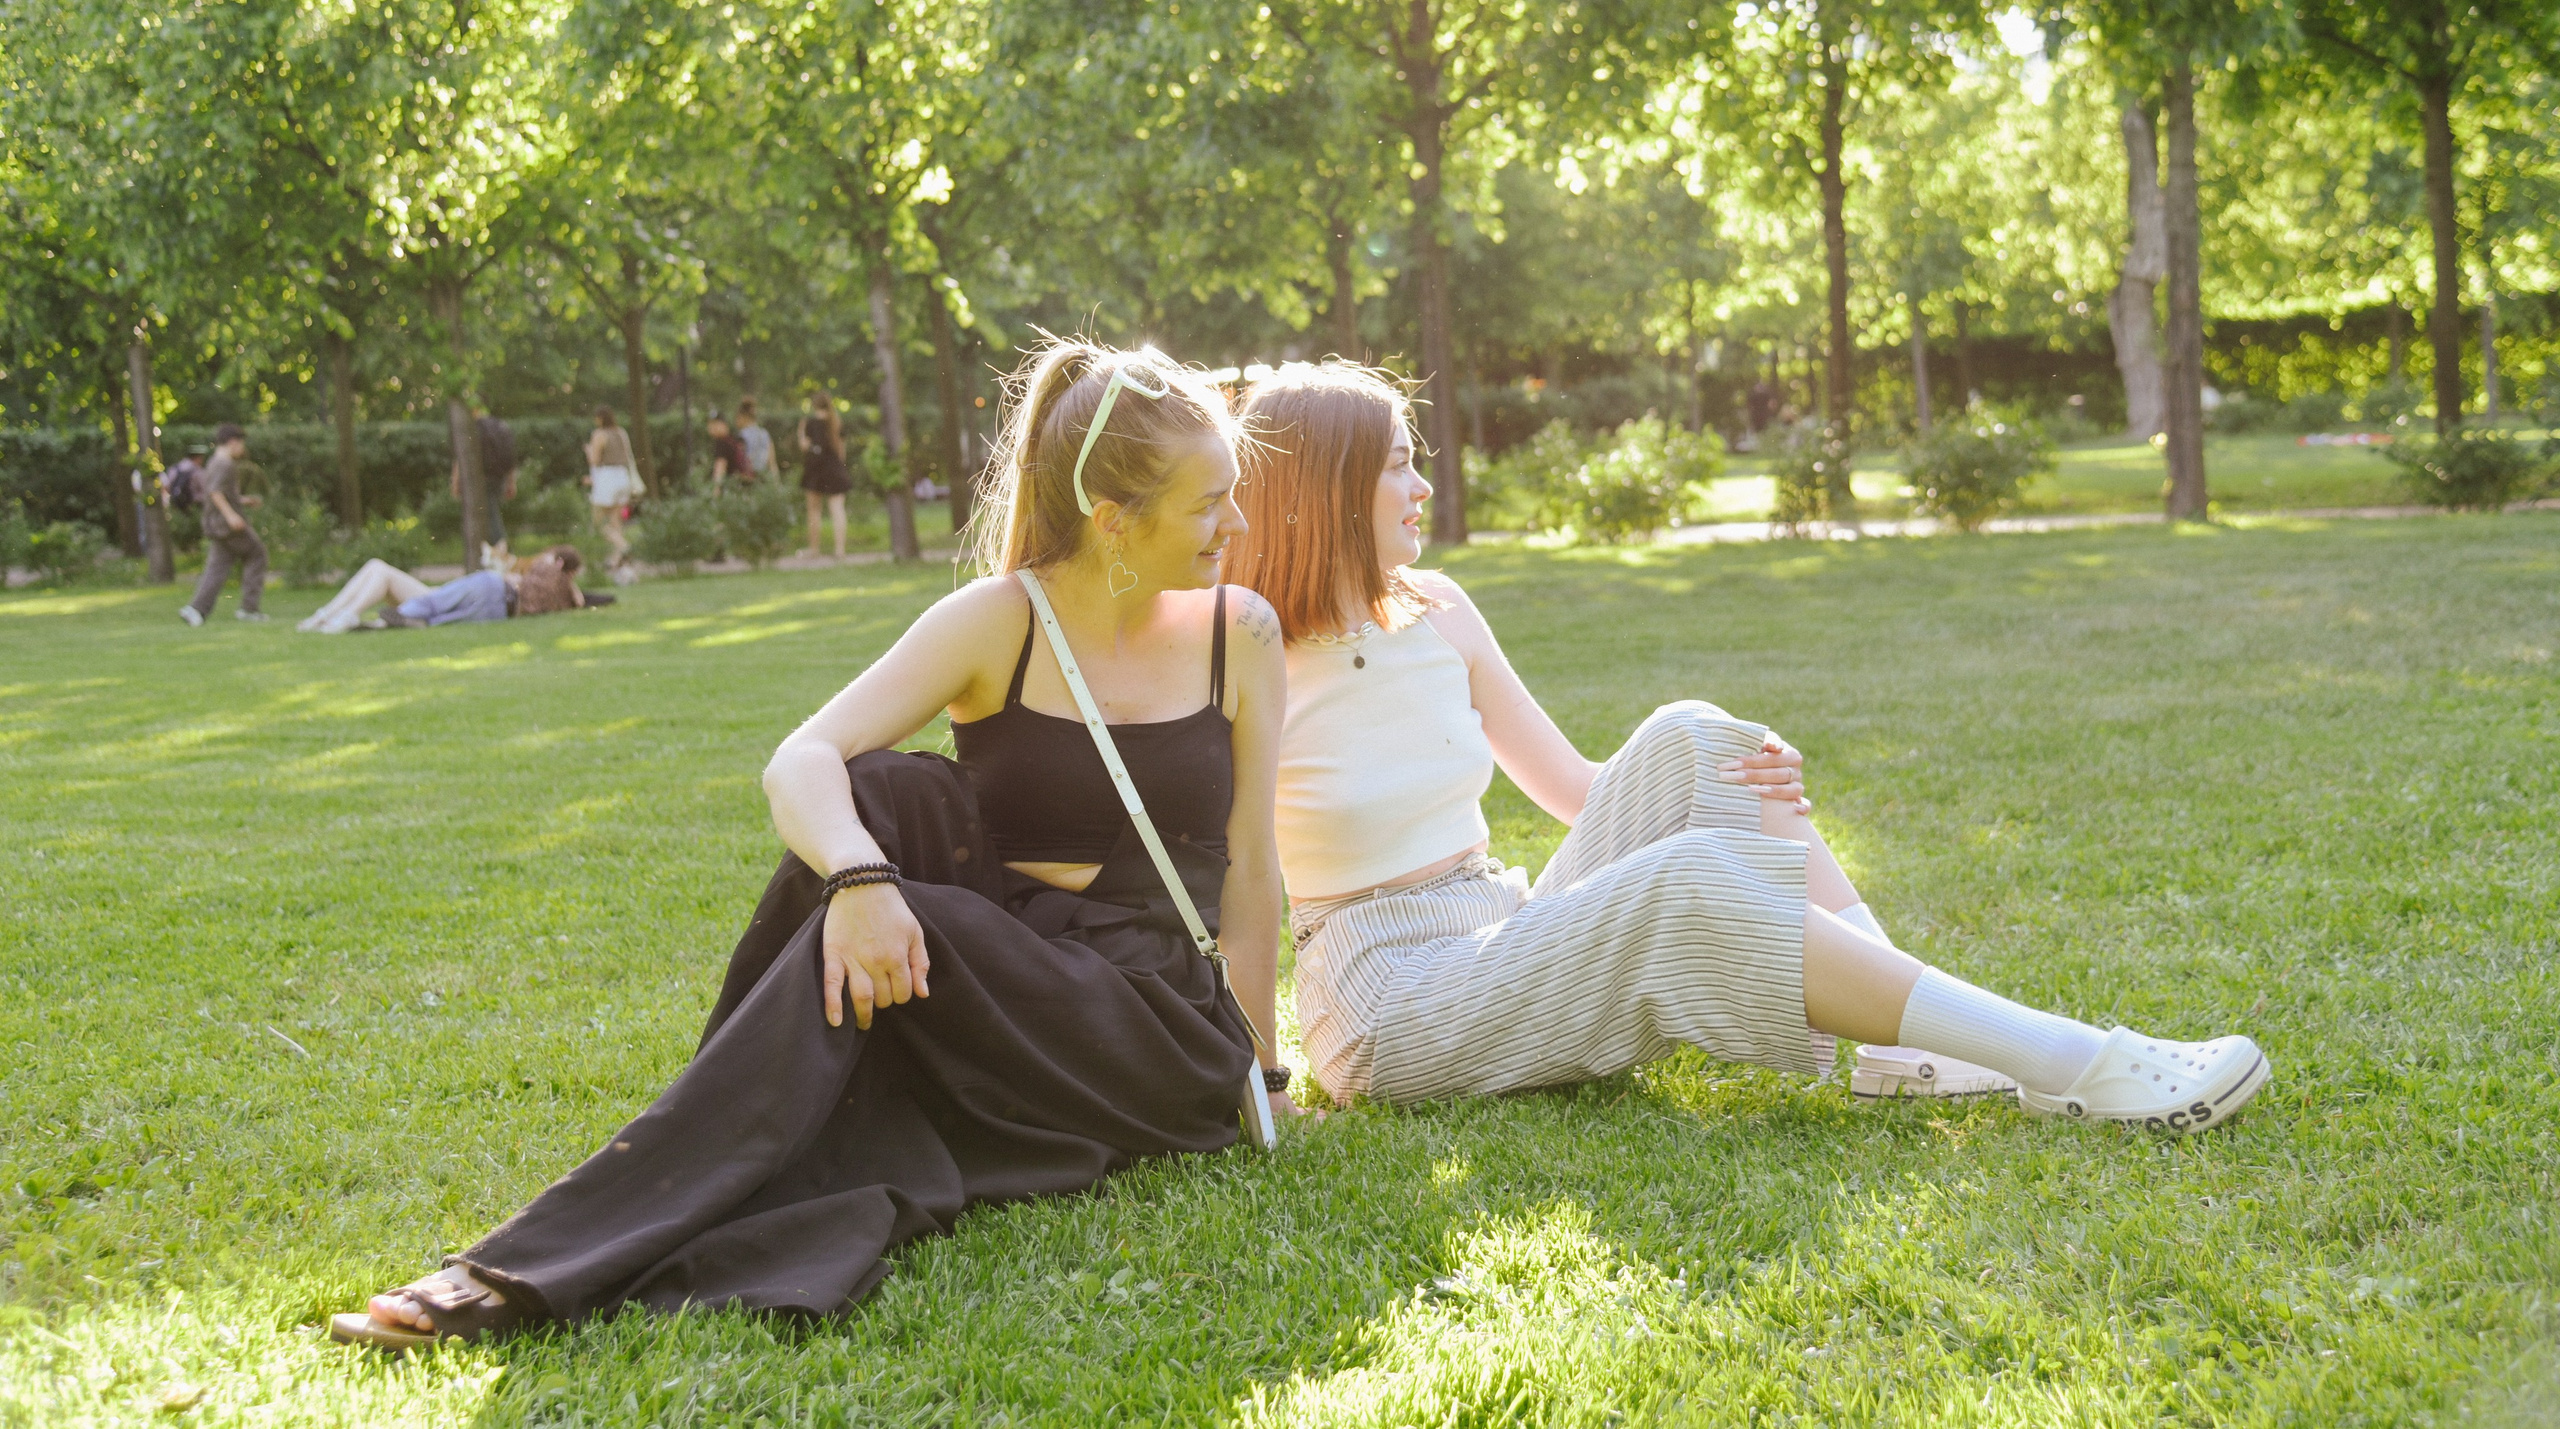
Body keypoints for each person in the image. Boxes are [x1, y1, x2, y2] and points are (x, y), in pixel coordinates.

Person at [331, 340, 1290, 1349]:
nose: (1234, 521)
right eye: (1208, 500)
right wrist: (860, 875)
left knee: (900, 871)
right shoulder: (998, 621)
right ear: (1113, 518)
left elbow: (1254, 867)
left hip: (1145, 1016)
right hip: (997, 972)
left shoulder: (1241, 633)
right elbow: (801, 756)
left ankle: (540, 1260)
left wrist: (1263, 1074)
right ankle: (698, 1162)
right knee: (878, 790)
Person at [1229, 363, 2270, 1134]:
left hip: (1499, 922)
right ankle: (2083, 1063)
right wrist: (1264, 1086)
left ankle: (1903, 1047)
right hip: (1390, 994)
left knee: (1699, 732)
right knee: (1685, 879)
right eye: (1398, 466)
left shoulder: (1439, 608)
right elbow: (1239, 883)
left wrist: (1743, 777)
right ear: (1324, 490)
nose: (1423, 487)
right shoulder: (1252, 652)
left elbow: (1578, 789)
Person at [296, 546, 594, 635]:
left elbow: (517, 576)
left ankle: (339, 615)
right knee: (379, 568)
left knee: (383, 571)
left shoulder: (545, 570)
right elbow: (585, 600)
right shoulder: (568, 595)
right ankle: (333, 616)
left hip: (491, 587)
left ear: (557, 561)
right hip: (497, 606)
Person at [179, 425, 269, 626]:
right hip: (226, 524)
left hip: (215, 523)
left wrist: (243, 501)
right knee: (258, 554)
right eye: (241, 443)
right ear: (233, 442)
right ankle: (249, 608)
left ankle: (195, 610)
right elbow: (215, 493)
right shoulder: (225, 463)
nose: (242, 448)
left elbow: (220, 493)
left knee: (217, 568)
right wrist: (231, 516)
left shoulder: (213, 462)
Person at [451, 407, 518, 556]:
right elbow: (511, 457)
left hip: (480, 480)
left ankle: (503, 554)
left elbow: (460, 459)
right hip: (499, 477)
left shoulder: (473, 429)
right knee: (492, 514)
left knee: (490, 519)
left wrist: (455, 483)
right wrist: (511, 482)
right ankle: (493, 554)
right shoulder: (499, 426)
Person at [800, 391, 853, 558]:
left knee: (814, 510)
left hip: (815, 469)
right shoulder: (836, 422)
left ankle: (814, 549)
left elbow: (804, 446)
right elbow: (842, 451)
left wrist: (801, 432)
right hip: (834, 468)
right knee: (837, 509)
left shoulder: (809, 423)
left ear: (814, 404)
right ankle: (840, 550)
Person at [586, 408, 637, 570]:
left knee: (598, 522)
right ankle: (617, 560)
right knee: (616, 521)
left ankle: (623, 546)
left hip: (606, 478)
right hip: (622, 477)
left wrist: (588, 451)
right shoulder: (621, 432)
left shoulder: (599, 434)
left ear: (600, 418)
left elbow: (594, 460)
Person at [705, 413, 753, 493]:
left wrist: (716, 490)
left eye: (715, 424)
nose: (711, 428)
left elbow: (720, 467)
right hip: (746, 486)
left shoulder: (721, 443)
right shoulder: (736, 440)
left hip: (731, 489)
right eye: (710, 424)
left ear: (724, 425)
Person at [735, 397, 778, 483]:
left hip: (746, 479)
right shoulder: (765, 434)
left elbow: (739, 462)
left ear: (742, 417)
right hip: (763, 478)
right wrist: (776, 483)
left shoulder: (741, 435)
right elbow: (772, 463)